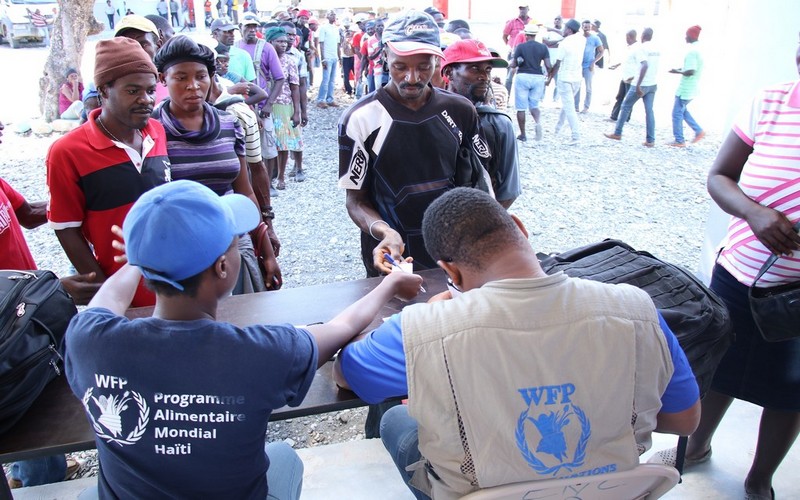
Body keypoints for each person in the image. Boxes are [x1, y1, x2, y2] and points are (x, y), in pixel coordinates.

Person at [64, 180, 423, 498]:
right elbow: (342, 328)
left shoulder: (89, 341)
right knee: (283, 458)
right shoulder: (258, 351)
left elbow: (106, 302)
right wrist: (389, 282)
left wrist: (144, 257)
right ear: (223, 267)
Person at [334, 187, 701, 499]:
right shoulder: (635, 308)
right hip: (607, 491)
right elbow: (684, 420)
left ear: (449, 271)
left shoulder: (422, 330)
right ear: (521, 230)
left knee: (397, 420)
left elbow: (346, 373)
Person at [649, 40, 800, 500]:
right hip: (738, 274)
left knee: (789, 388)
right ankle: (696, 447)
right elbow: (720, 176)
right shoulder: (771, 102)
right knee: (721, 368)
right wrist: (754, 213)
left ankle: (759, 479)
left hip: (796, 295)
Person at [338, 9, 490, 278]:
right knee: (399, 316)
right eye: (400, 66)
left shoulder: (461, 110)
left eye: (423, 66)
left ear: (437, 60)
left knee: (454, 315)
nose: (412, 78)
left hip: (451, 247)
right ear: (384, 57)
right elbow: (355, 201)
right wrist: (385, 232)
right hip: (393, 252)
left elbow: (480, 182)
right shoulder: (360, 118)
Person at [1, 119, 98, 490]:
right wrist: (56, 287)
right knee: (21, 402)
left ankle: (37, 472)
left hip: (29, 312)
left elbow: (27, 215)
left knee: (43, 387)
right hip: (7, 325)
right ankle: (33, 484)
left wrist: (77, 195)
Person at [47, 37, 170, 308]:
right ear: (104, 90)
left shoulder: (157, 132)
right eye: (133, 91)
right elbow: (66, 228)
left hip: (173, 290)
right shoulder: (67, 151)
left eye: (151, 90)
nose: (146, 100)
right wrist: (105, 292)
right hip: (123, 299)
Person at [152, 35, 281, 292]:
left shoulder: (228, 123)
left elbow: (244, 192)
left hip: (233, 243)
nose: (193, 86)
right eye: (181, 77)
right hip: (180, 255)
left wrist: (266, 250)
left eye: (201, 76)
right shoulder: (151, 131)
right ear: (162, 79)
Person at [442, 38, 520, 208]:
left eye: (488, 70)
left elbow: (508, 191)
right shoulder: (430, 117)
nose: (484, 77)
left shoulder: (499, 124)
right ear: (448, 73)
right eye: (475, 68)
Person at [235, 13, 285, 197]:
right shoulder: (235, 48)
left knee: (268, 146)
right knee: (244, 145)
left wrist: (269, 104)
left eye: (255, 26)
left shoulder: (267, 48)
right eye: (248, 26)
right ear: (241, 27)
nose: (252, 30)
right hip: (242, 103)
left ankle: (269, 183)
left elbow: (279, 78)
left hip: (261, 105)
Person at [604, 28, 660, 147]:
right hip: (652, 84)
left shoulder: (641, 48)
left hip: (641, 84)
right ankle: (650, 140)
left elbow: (644, 65)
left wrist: (638, 84)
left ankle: (617, 133)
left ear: (643, 35)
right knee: (649, 111)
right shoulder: (656, 49)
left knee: (625, 106)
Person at [265, 27, 302, 190]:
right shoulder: (263, 59)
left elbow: (295, 87)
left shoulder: (290, 61)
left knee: (283, 144)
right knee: (269, 143)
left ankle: (281, 177)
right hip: (265, 104)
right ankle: (268, 178)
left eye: (285, 42)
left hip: (284, 105)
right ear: (270, 42)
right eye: (279, 41)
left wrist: (297, 111)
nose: (283, 45)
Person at [508, 25, 550, 142]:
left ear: (526, 35)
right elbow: (548, 65)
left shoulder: (520, 47)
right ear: (535, 35)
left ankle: (523, 134)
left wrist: (513, 63)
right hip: (538, 77)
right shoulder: (543, 47)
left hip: (523, 76)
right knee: (534, 105)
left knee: (521, 108)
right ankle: (538, 123)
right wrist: (549, 78)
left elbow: (513, 64)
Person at [115, 15, 170, 103]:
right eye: (126, 45)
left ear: (158, 45)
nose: (134, 51)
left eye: (143, 44)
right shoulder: (112, 90)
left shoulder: (174, 83)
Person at [668, 25, 705, 147]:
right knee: (682, 111)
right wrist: (679, 69)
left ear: (691, 36)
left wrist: (677, 72)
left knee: (677, 113)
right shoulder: (698, 49)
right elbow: (689, 68)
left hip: (686, 88)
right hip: (692, 87)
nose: (685, 37)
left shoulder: (692, 51)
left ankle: (679, 140)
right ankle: (699, 131)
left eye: (686, 34)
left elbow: (691, 71)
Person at [550, 19, 585, 145]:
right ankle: (557, 129)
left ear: (569, 30)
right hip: (577, 78)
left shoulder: (564, 43)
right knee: (567, 105)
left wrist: (549, 78)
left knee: (569, 108)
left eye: (565, 28)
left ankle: (576, 136)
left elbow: (558, 63)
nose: (563, 30)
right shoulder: (582, 40)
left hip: (565, 78)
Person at [607, 29, 638, 123]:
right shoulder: (629, 47)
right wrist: (616, 65)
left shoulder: (637, 48)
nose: (626, 39)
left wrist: (634, 77)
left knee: (628, 99)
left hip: (631, 78)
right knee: (620, 96)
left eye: (627, 37)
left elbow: (641, 64)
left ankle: (626, 118)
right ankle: (614, 116)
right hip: (624, 76)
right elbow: (626, 60)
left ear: (630, 37)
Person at [574, 19, 603, 113]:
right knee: (577, 86)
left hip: (588, 66)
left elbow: (601, 51)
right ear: (582, 27)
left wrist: (593, 62)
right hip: (578, 65)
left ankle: (586, 107)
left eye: (588, 27)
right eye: (585, 27)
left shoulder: (595, 38)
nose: (586, 29)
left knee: (588, 87)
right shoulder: (578, 38)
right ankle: (575, 106)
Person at [502, 5, 531, 92]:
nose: (522, 10)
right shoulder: (512, 22)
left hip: (528, 53)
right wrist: (510, 46)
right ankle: (507, 96)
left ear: (528, 9)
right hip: (514, 52)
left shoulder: (532, 22)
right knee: (510, 76)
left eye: (524, 8)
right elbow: (504, 36)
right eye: (520, 8)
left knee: (527, 75)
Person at [316, 10, 341, 108]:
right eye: (331, 14)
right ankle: (320, 99)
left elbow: (338, 45)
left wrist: (339, 58)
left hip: (334, 57)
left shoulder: (336, 28)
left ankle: (330, 99)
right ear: (327, 16)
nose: (333, 16)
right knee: (325, 80)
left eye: (334, 14)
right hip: (327, 57)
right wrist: (323, 59)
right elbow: (321, 44)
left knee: (332, 80)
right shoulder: (323, 28)